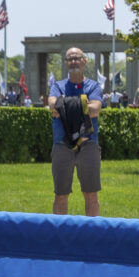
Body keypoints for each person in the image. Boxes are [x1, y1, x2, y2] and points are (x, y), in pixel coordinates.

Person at [48, 48, 106, 216]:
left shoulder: (94, 86)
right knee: (60, 194)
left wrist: (64, 105)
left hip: (89, 144)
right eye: (70, 59)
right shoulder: (57, 86)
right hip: (61, 144)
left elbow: (95, 109)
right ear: (65, 63)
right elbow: (52, 106)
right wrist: (83, 103)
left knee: (91, 194)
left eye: (77, 58)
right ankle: (60, 235)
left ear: (84, 61)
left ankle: (92, 234)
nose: (73, 61)